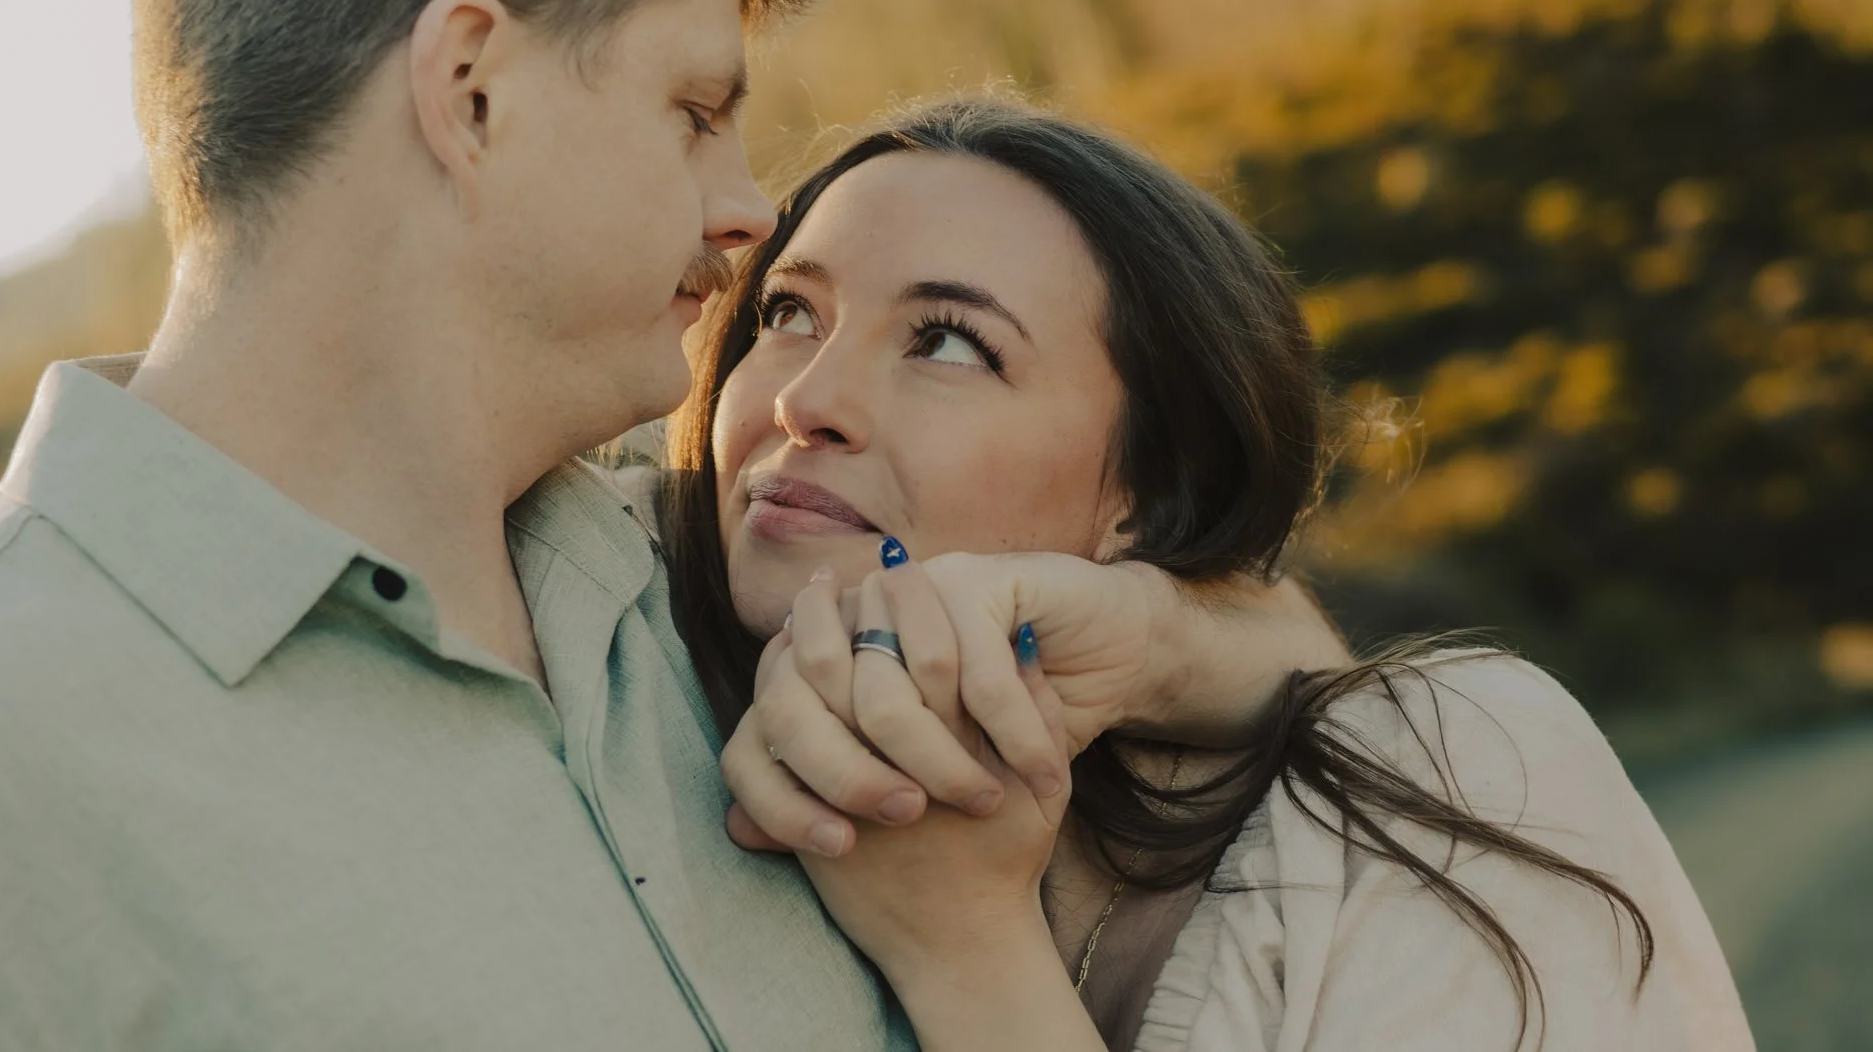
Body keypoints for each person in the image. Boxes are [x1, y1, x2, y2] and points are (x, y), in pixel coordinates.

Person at [0, 0, 1339, 1048]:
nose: (751, 205)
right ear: (471, 89)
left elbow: (1348, 690)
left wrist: (1135, 628)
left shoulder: (713, 596)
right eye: (695, 108)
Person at [650, 97, 1754, 1051]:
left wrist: (963, 953)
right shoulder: (620, 658)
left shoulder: (1454, 787)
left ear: (1147, 494)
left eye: (947, 343)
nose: (801, 401)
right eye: (790, 314)